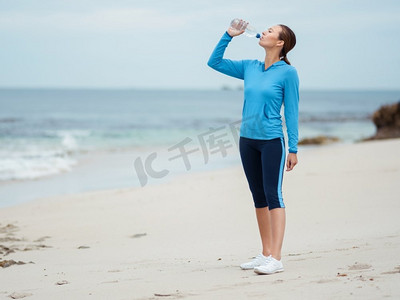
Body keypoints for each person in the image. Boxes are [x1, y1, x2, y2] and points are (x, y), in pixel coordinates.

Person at [207, 20, 299, 275]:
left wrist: (294, 147)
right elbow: (214, 62)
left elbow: (291, 112)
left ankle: (277, 259)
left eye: (271, 31)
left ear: (280, 43)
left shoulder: (288, 73)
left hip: (272, 141)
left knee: (273, 195)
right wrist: (228, 35)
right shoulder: (250, 67)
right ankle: (265, 253)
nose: (264, 32)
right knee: (258, 197)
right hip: (247, 140)